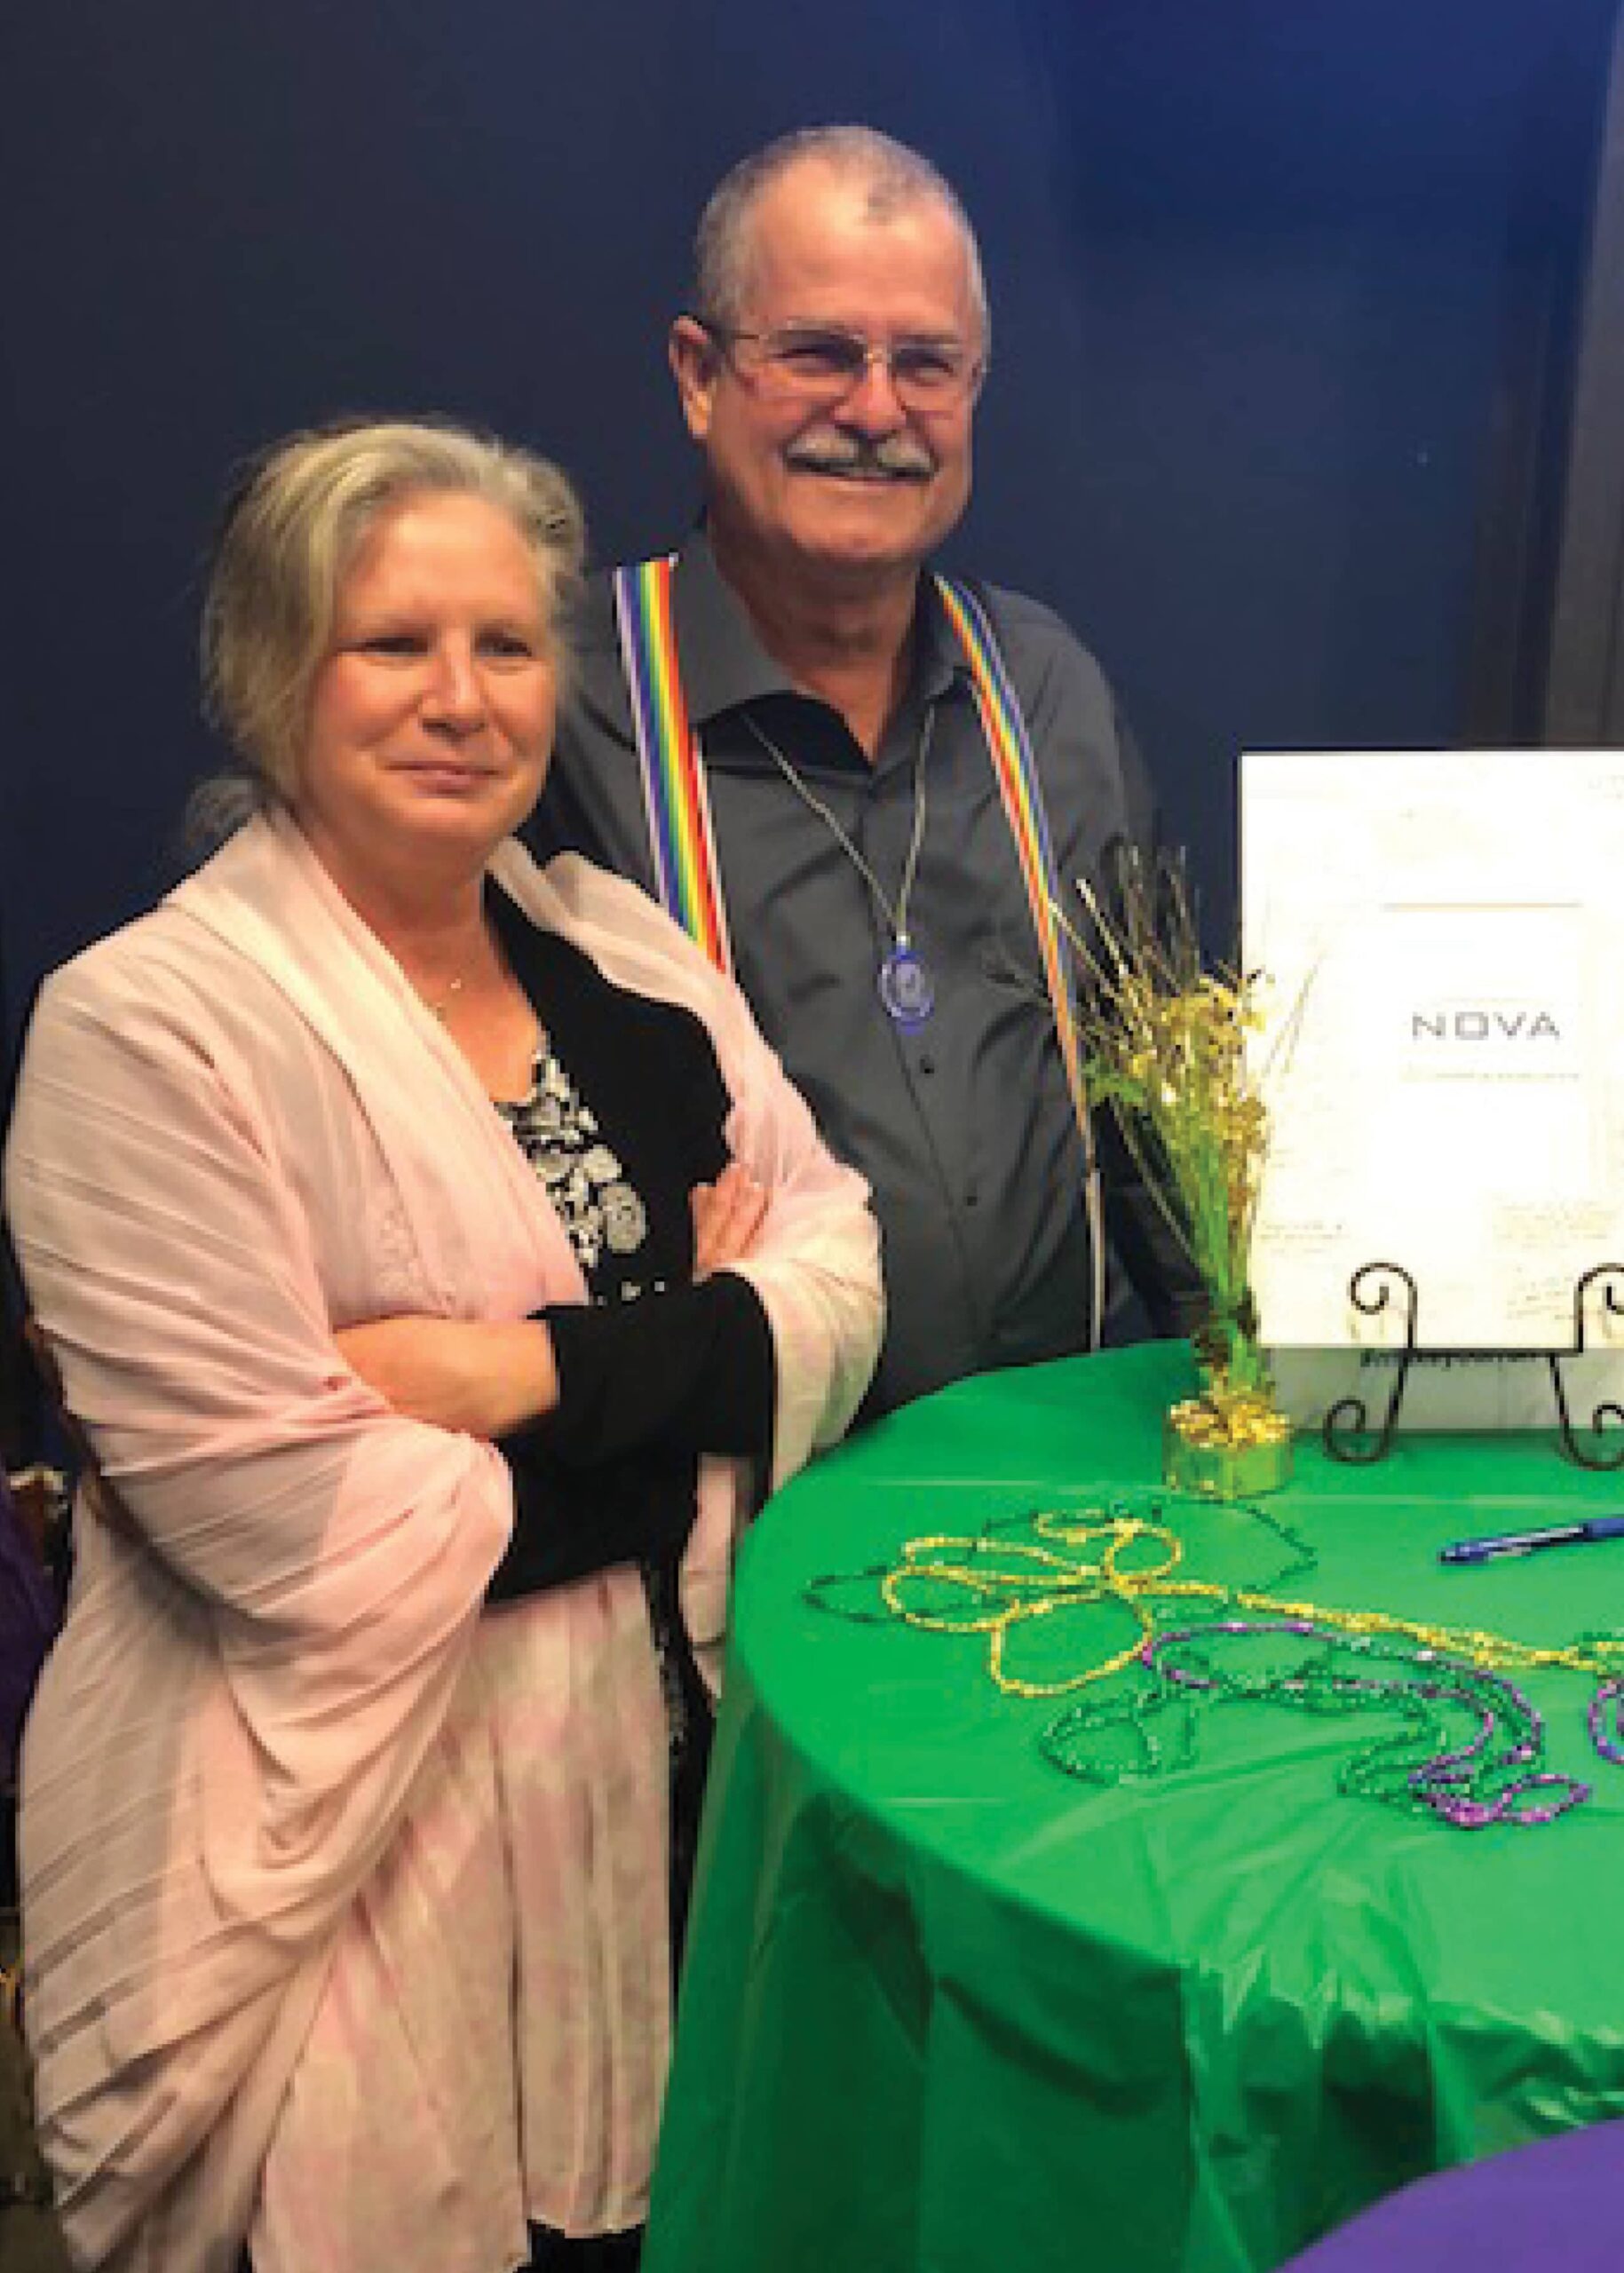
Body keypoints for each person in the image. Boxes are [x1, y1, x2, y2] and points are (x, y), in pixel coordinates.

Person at [4, 418, 881, 2273]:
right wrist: (696, 1356)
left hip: (655, 1828)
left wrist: (525, 1376)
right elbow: (300, 1523)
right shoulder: (148, 1035)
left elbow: (840, 1272)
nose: (462, 698)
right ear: (273, 670)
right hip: (335, 1881)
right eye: (393, 642)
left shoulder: (625, 954)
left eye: (508, 645)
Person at [531, 123, 1192, 1420]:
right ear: (699, 376)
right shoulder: (557, 703)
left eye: (925, 365)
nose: (876, 409)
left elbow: (1163, 1101)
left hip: (1077, 1484)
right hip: (731, 1499)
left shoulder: (1044, 686)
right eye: (821, 352)